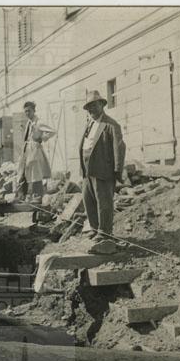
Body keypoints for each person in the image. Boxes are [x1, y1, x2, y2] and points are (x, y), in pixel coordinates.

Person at [79, 90, 126, 253]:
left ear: (101, 105)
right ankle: (94, 228)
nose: (91, 109)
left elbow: (119, 148)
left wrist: (117, 170)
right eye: (88, 107)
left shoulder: (111, 124)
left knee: (103, 201)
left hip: (103, 169)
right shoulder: (89, 124)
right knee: (88, 199)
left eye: (94, 105)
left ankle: (105, 232)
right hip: (87, 169)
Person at [15, 101, 56, 204]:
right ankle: (22, 195)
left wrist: (42, 138)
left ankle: (37, 196)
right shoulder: (29, 123)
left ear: (34, 110)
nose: (27, 113)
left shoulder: (39, 122)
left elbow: (53, 131)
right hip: (26, 149)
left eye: (29, 111)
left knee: (35, 173)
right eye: (25, 111)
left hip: (34, 149)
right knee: (23, 172)